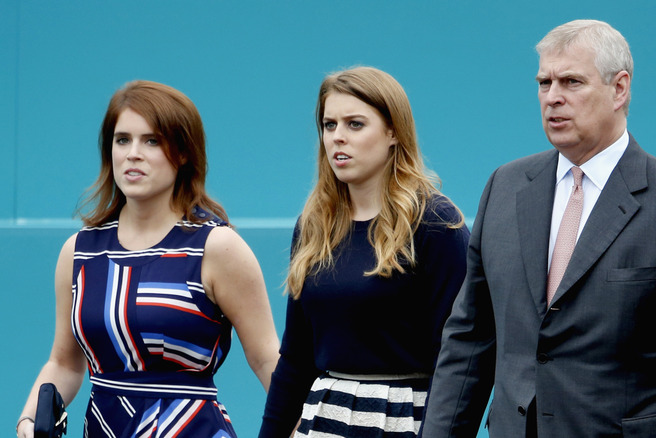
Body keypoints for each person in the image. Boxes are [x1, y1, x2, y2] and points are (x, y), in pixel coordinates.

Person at [422, 19, 656, 438]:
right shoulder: (504, 187)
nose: (553, 98)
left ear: (620, 89)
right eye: (545, 83)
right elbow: (468, 341)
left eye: (572, 82)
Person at [16, 80, 280, 437]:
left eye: (152, 140)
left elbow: (267, 359)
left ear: (183, 152)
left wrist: (301, 428)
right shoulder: (79, 252)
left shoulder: (216, 247)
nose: (133, 153)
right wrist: (29, 420)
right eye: (122, 139)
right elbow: (64, 363)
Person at [259, 66, 470, 438]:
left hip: (403, 418)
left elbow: (455, 360)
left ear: (392, 132)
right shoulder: (314, 225)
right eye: (329, 125)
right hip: (323, 417)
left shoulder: (435, 223)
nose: (338, 138)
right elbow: (295, 358)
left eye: (355, 124)